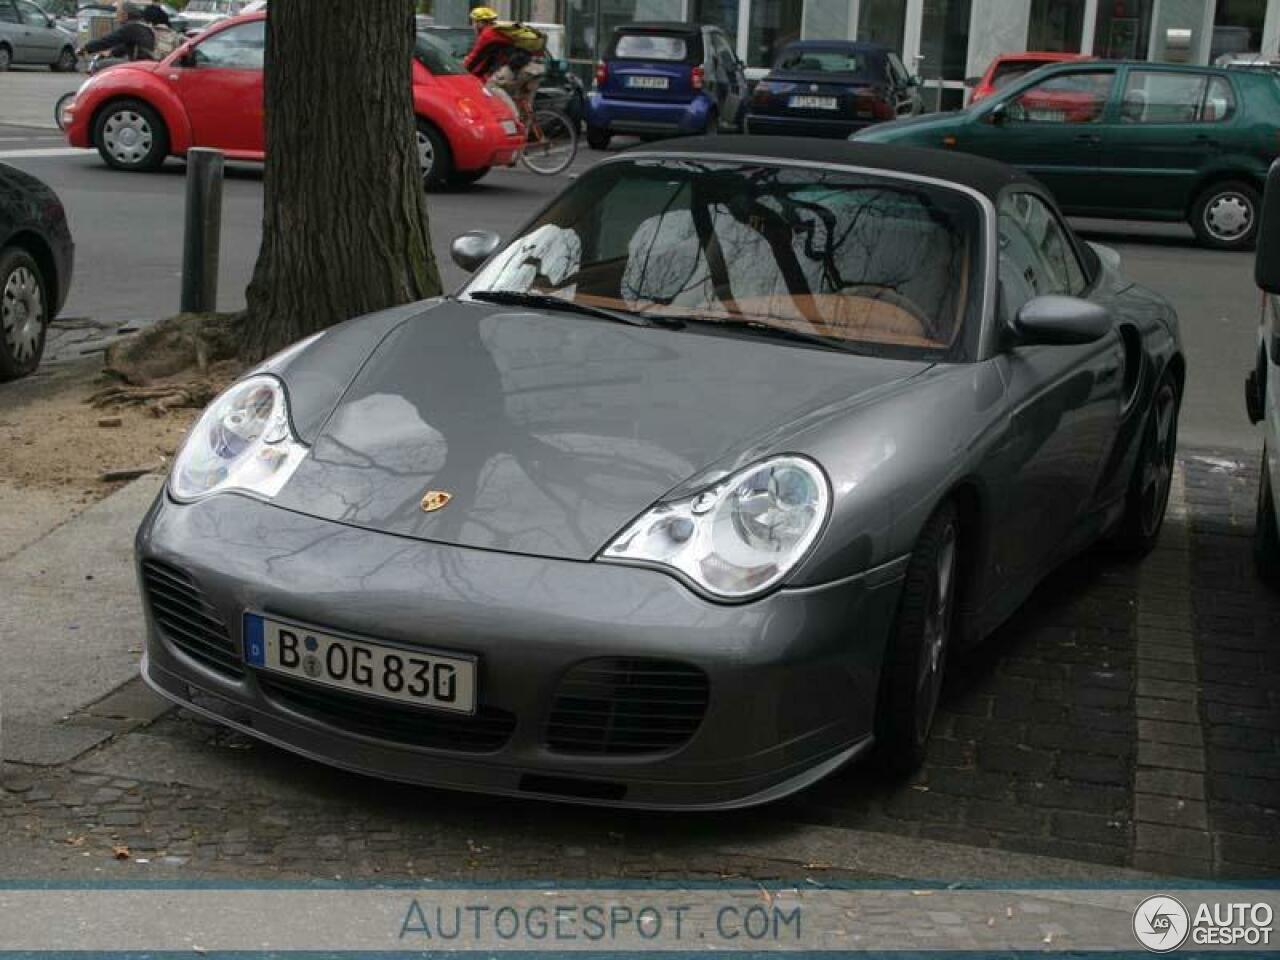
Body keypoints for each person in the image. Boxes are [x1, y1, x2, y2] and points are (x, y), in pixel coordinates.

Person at [463, 7, 545, 111]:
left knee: (491, 86)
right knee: (523, 106)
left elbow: (474, 57)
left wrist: (460, 70)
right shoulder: (500, 32)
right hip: (537, 66)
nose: (473, 26)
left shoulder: (488, 34)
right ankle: (527, 126)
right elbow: (487, 61)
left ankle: (512, 118)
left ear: (480, 23)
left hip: (524, 67)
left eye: (474, 22)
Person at [78, 7, 156, 61]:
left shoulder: (131, 27)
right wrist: (112, 52)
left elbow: (107, 41)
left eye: (118, 13)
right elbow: (127, 46)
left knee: (101, 65)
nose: (116, 16)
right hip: (146, 62)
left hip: (138, 63)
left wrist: (86, 48)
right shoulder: (142, 26)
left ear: (125, 14)